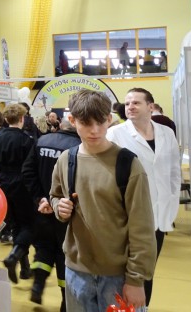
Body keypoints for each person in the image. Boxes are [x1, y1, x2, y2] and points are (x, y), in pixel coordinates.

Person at [50, 89, 156, 311]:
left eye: (100, 121)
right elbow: (55, 196)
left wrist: (136, 280)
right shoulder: (66, 160)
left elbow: (142, 227)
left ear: (110, 119)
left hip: (118, 276)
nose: (95, 130)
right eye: (86, 123)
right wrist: (60, 207)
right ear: (72, 120)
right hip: (76, 273)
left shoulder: (128, 165)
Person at [106, 87, 180, 306]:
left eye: (136, 103)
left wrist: (173, 200)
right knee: (129, 274)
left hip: (159, 215)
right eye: (127, 103)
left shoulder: (166, 133)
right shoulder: (115, 134)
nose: (130, 107)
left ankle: (142, 308)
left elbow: (174, 170)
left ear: (150, 106)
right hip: (129, 216)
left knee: (148, 270)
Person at [21, 117, 81, 311]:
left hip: (42, 210)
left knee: (44, 248)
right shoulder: (80, 148)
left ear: (61, 127)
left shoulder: (42, 141)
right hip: (68, 213)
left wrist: (40, 198)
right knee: (65, 255)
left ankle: (38, 285)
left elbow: (27, 171)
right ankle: (66, 301)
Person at [0, 103, 36, 283]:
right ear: (22, 118)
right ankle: (14, 256)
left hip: (4, 186)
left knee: (16, 225)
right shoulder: (27, 140)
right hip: (23, 185)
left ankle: (25, 268)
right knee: (30, 226)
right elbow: (31, 166)